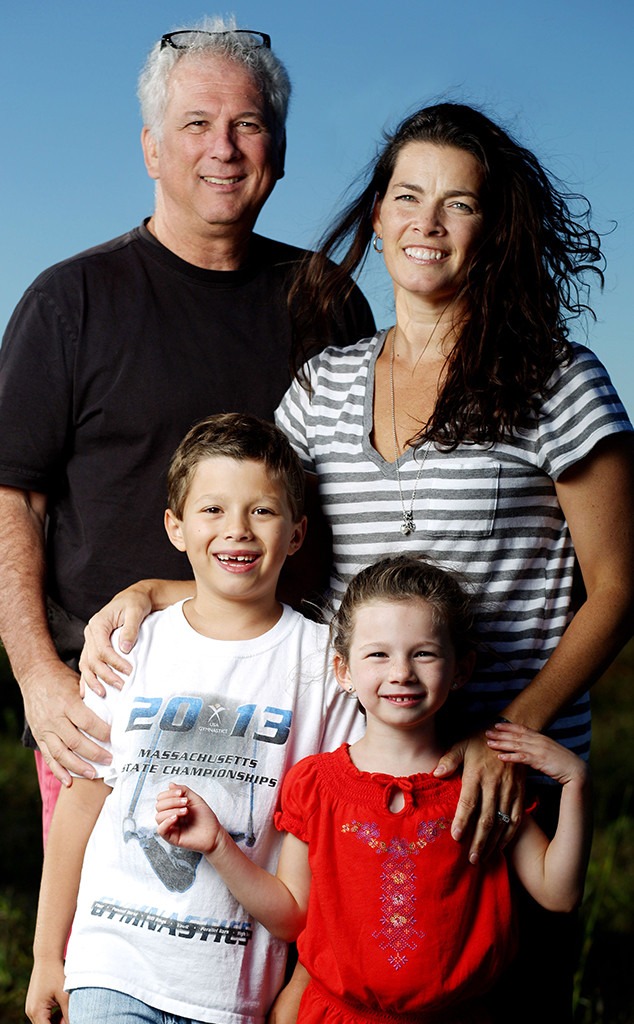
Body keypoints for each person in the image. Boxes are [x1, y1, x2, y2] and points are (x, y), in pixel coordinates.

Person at [82, 102, 633, 1022]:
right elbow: (280, 569)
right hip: (363, 805)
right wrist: (153, 589)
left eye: (458, 205)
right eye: (406, 197)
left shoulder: (558, 379)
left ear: (493, 230)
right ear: (375, 216)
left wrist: (509, 743)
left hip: (492, 807)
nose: (427, 222)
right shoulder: (323, 384)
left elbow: (617, 586)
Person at [0, 16, 374, 836]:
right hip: (107, 706)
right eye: (196, 124)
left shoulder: (328, 303)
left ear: (278, 146)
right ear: (152, 149)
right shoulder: (70, 302)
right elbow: (13, 503)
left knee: (272, 953)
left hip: (285, 702)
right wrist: (38, 677)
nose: (225, 148)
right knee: (97, 950)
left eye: (248, 124)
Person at [25, 413, 363, 1024]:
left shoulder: (323, 665)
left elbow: (336, 842)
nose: (237, 530)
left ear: (297, 532)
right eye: (212, 510)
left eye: (261, 511)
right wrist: (49, 954)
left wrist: (308, 979)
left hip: (233, 988)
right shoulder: (131, 643)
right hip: (112, 966)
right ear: (175, 528)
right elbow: (81, 805)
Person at [153, 554, 592, 1024]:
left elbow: (558, 893)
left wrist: (576, 783)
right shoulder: (316, 783)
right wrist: (219, 845)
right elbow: (291, 917)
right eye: (378, 654)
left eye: (423, 652)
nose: (401, 672)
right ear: (344, 671)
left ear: (461, 668)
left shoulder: (484, 783)